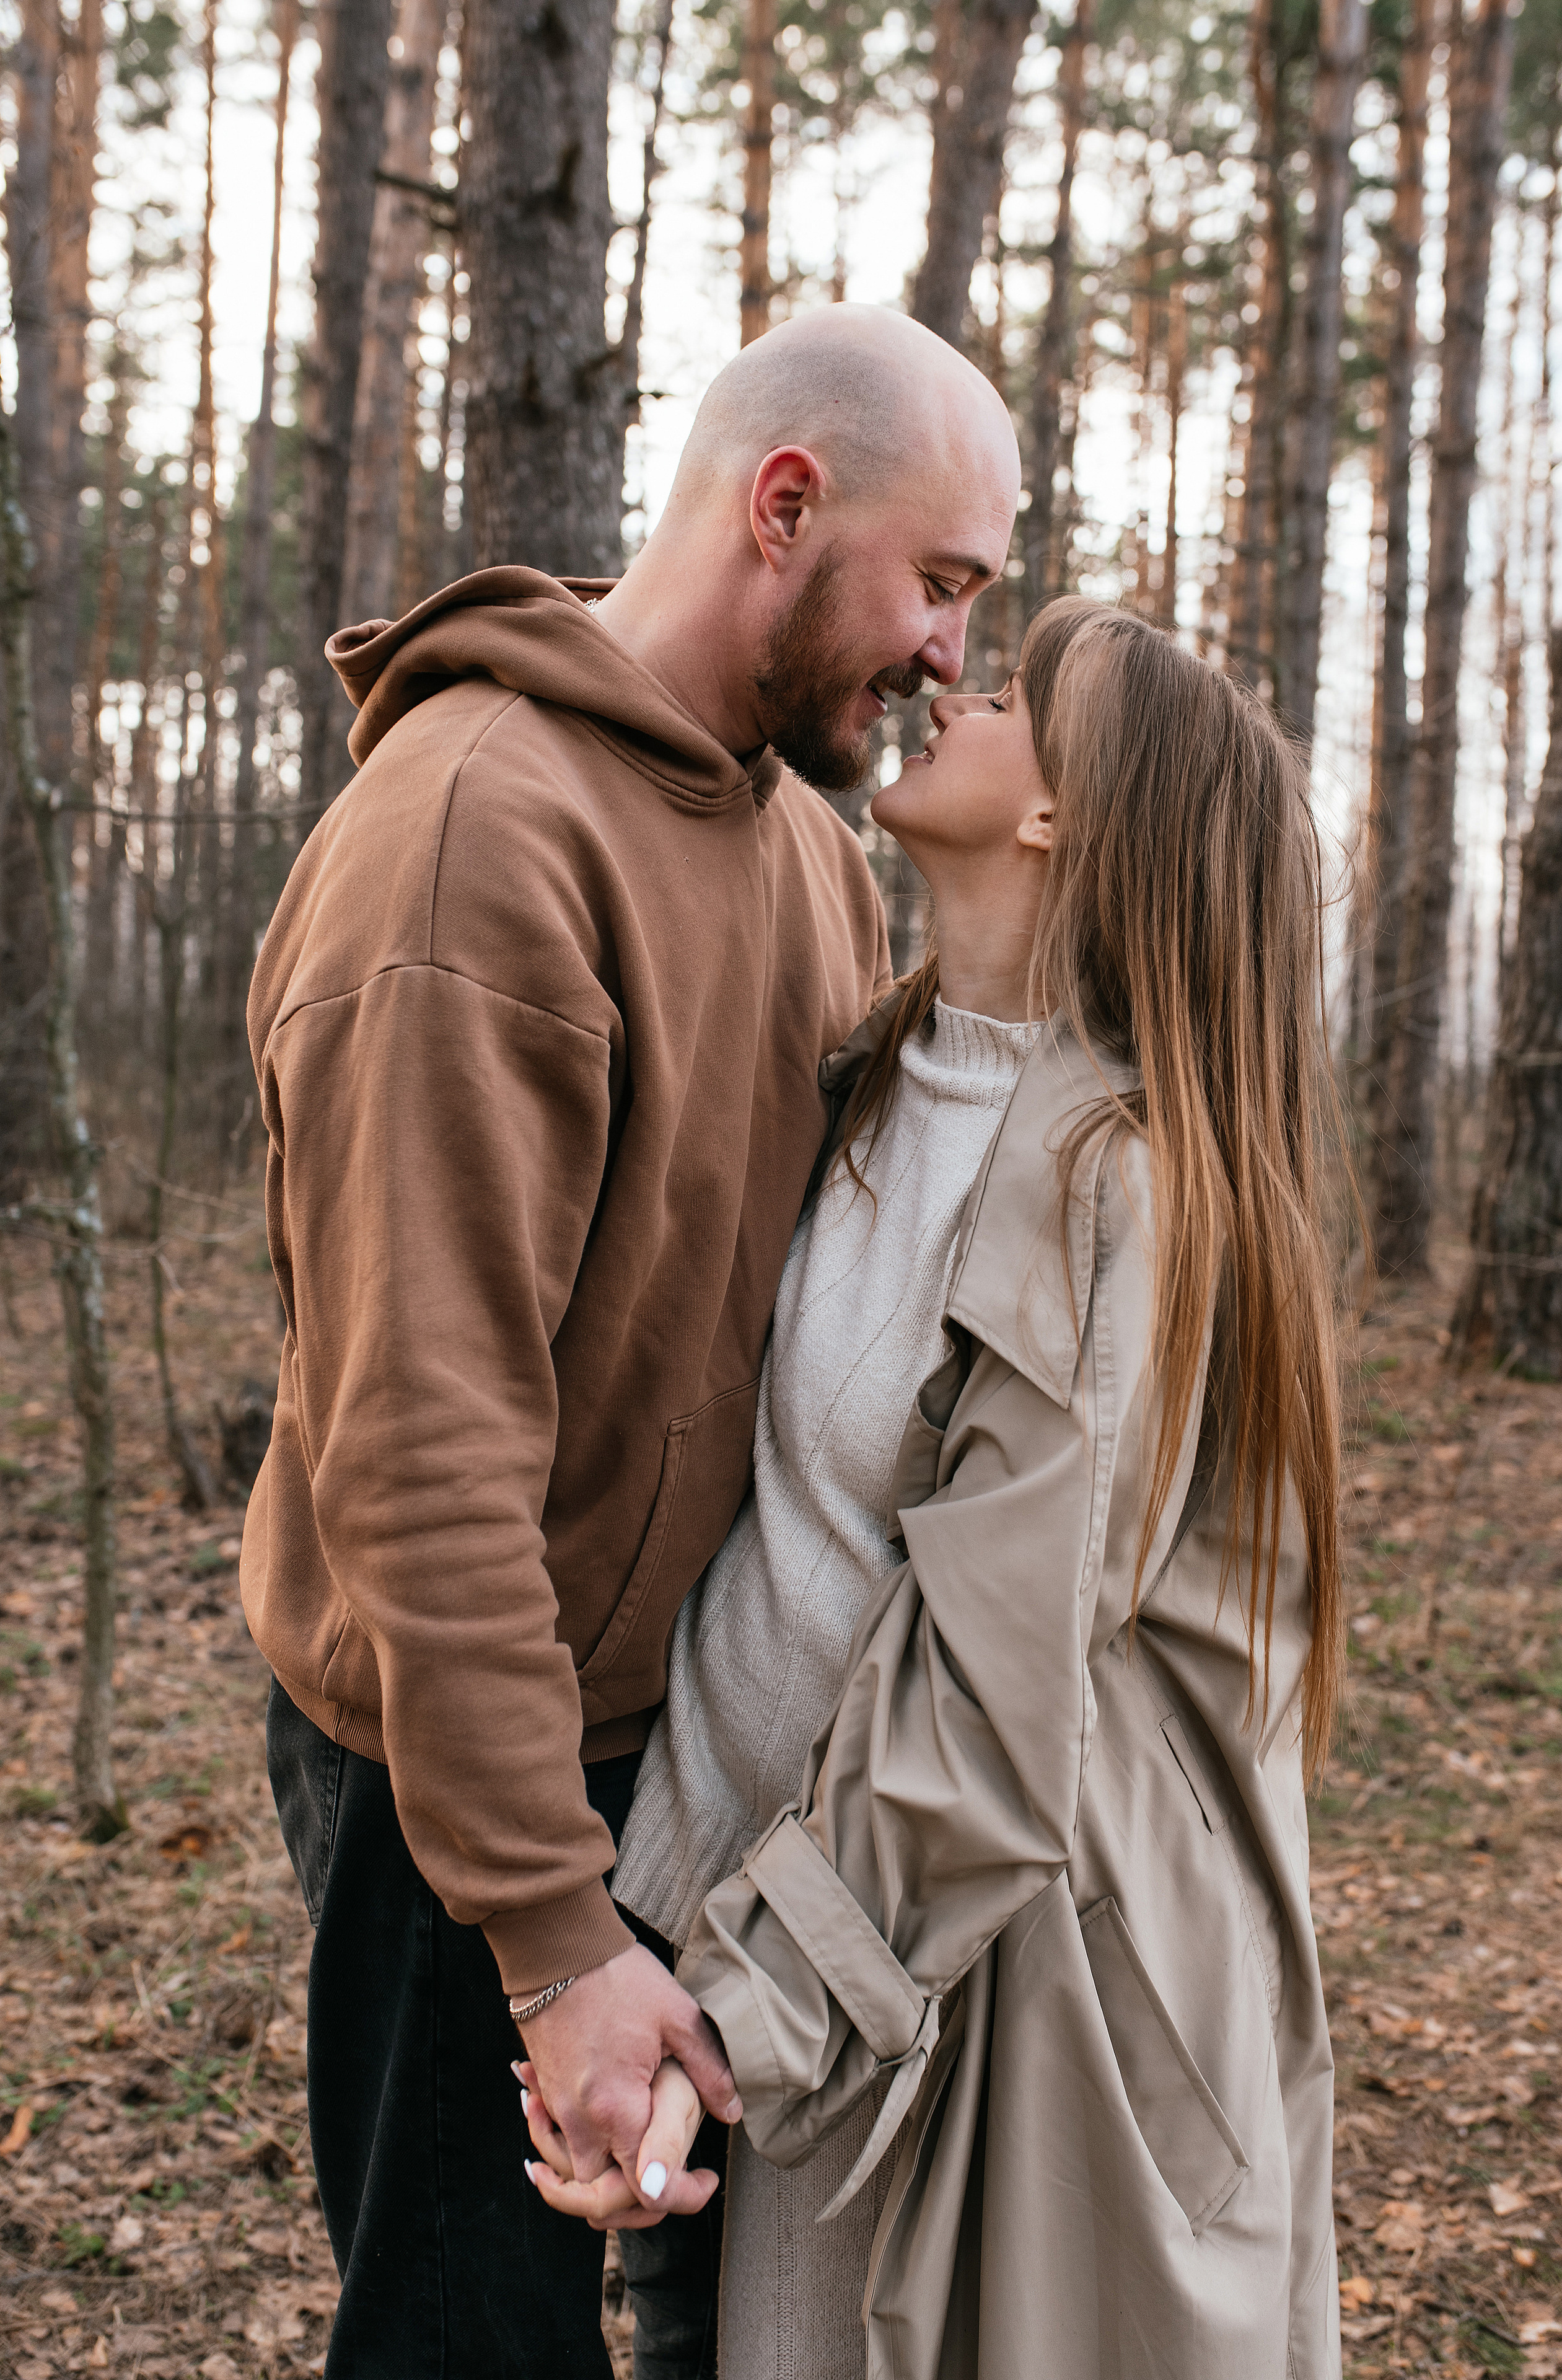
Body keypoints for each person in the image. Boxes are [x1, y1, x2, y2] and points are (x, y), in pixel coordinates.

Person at [243, 302, 1023, 2379]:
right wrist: (552, 1928)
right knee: (469, 2343)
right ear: (786, 503)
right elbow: (419, 1449)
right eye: (940, 584)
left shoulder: (792, 841)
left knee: (710, 2322)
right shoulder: (473, 844)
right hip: (461, 1774)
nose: (955, 652)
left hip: (685, 1741)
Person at [534, 597, 1346, 2379]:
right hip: (764, 1944)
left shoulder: (1107, 1189)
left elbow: (991, 1704)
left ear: (1067, 815)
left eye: (1013, 695)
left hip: (940, 1994)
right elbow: (797, 1549)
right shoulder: (879, 1071)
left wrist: (735, 2022)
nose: (953, 691)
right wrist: (642, 1940)